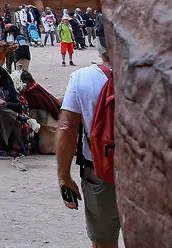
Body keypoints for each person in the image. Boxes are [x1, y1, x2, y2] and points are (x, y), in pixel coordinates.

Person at [57, 49, 120, 248]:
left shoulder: (81, 78)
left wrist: (64, 176)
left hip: (99, 170)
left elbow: (67, 128)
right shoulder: (151, 74)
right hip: (146, 172)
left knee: (103, 241)